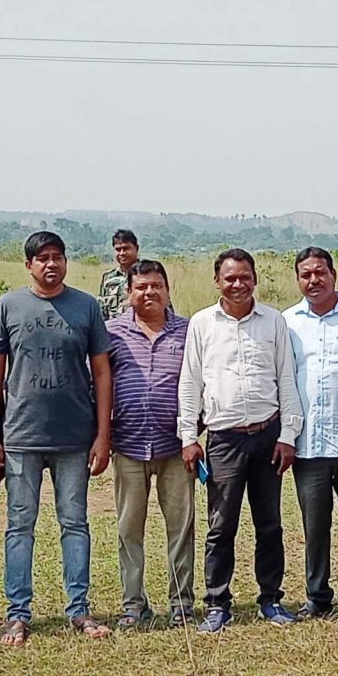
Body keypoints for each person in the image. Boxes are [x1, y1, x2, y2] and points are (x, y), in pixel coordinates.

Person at [0, 230, 115, 645]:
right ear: (29, 265)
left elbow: (102, 373)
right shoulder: (9, 306)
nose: (51, 264)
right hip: (21, 435)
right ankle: (18, 614)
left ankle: (79, 609)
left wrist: (103, 435)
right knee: (19, 525)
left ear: (66, 262)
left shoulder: (86, 306)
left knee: (74, 523)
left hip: (75, 437)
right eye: (42, 258)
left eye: (57, 256)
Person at [179, 248, 302, 632]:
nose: (238, 284)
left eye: (245, 277)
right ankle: (218, 603)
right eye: (230, 278)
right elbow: (190, 382)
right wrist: (188, 436)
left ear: (255, 279)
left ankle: (271, 599)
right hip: (223, 440)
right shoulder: (202, 323)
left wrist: (288, 435)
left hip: (267, 436)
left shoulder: (273, 321)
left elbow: (286, 379)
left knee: (270, 523)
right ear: (217, 281)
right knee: (221, 526)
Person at [106, 259, 195, 628]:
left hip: (176, 447)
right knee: (129, 529)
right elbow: (98, 384)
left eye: (156, 285)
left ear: (168, 290)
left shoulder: (189, 331)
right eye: (141, 287)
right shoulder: (111, 333)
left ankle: (181, 604)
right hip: (127, 445)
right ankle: (133, 604)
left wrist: (195, 432)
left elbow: (201, 383)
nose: (149, 292)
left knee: (181, 528)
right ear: (129, 293)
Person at [287, 248, 338, 620]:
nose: (313, 280)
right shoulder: (288, 322)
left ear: (334, 274)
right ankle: (317, 596)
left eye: (320, 272)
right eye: (305, 274)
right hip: (309, 443)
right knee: (314, 526)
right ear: (297, 279)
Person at [99, 229, 140, 320]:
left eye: (126, 248)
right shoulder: (108, 278)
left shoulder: (148, 275)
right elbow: (102, 311)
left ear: (136, 248)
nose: (122, 253)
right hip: (113, 327)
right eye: (118, 249)